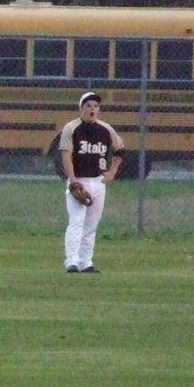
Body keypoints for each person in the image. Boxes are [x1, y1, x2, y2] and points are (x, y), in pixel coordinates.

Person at [59, 92, 124, 274]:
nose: (92, 109)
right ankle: (71, 262)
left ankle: (86, 262)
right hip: (79, 180)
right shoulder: (71, 128)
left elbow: (120, 151)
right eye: (88, 106)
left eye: (95, 106)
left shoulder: (105, 129)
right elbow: (66, 156)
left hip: (98, 181)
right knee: (77, 222)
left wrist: (112, 172)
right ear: (81, 108)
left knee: (91, 225)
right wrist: (73, 182)